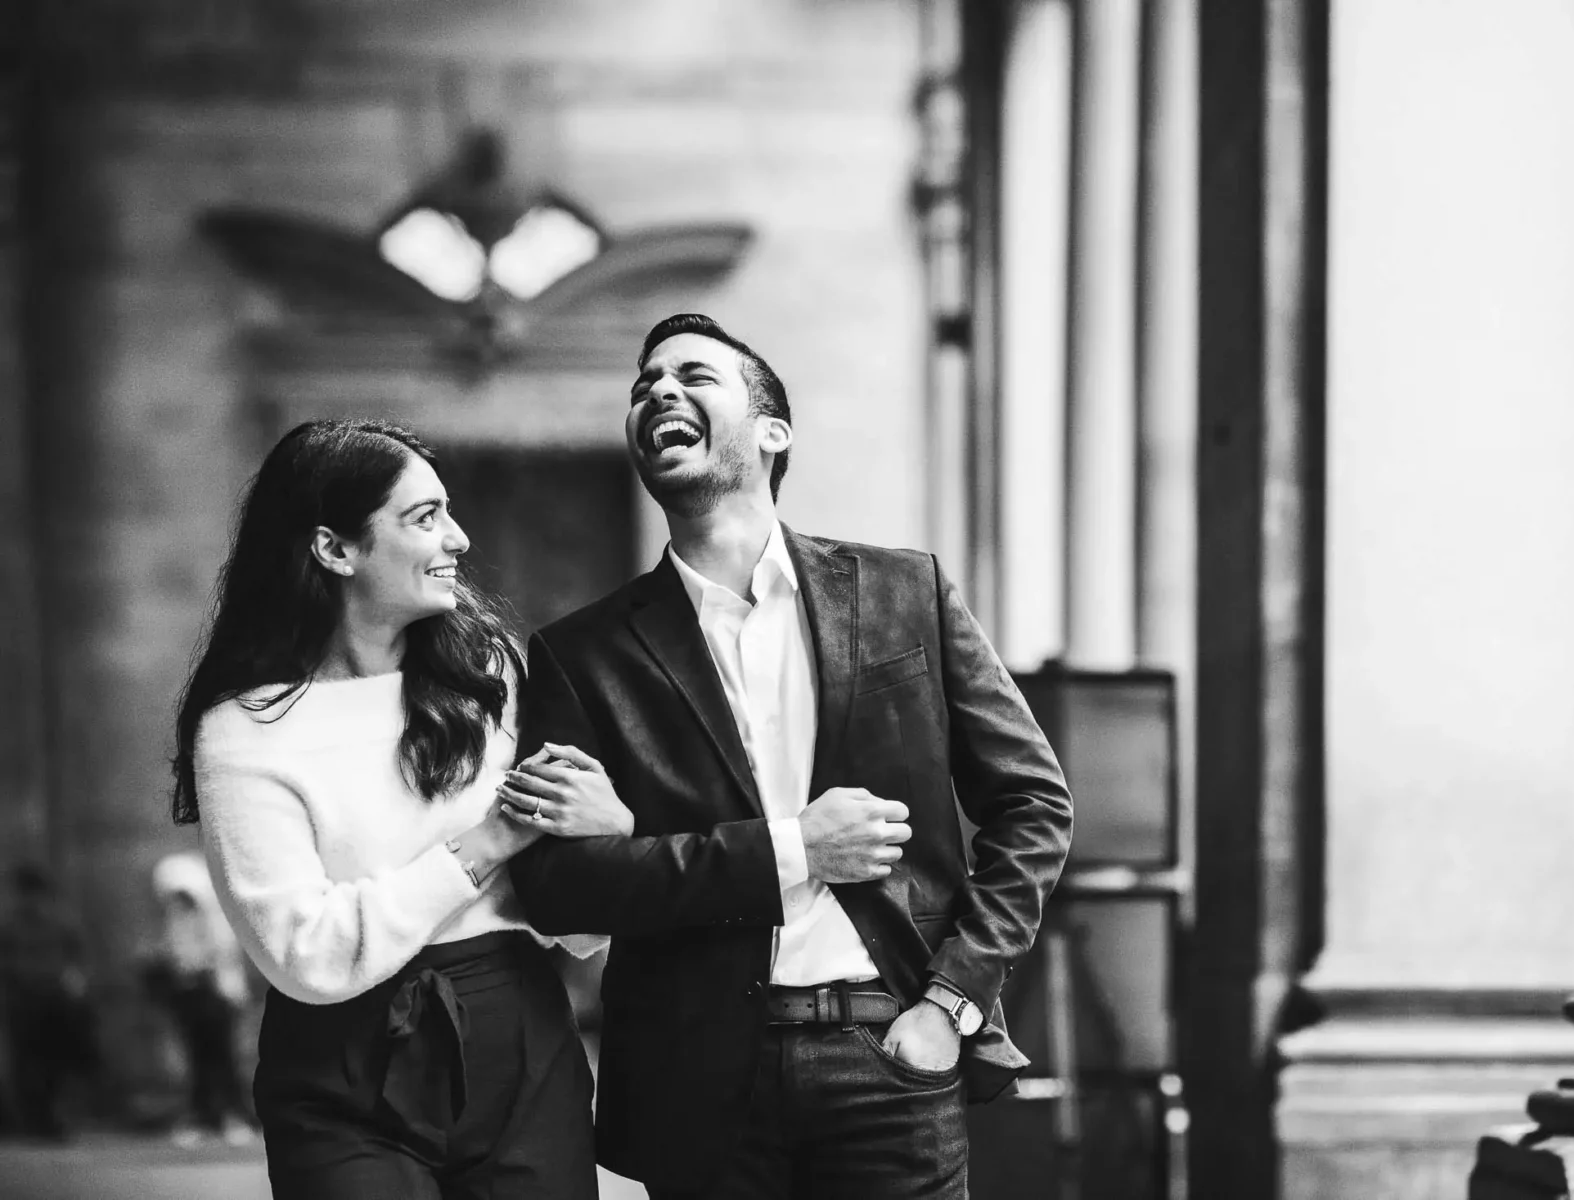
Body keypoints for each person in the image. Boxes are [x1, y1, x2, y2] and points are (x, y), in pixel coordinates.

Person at [505, 314, 1075, 1199]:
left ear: (773, 431)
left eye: (694, 375)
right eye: (643, 384)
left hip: (892, 1056)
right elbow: (560, 888)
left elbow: (1035, 804)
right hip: (696, 1086)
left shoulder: (902, 592)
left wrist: (948, 1003)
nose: (659, 390)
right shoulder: (582, 656)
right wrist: (794, 847)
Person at [170, 418, 633, 1200]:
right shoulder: (243, 729)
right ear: (335, 549)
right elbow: (305, 954)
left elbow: (573, 920)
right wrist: (480, 846)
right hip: (342, 1061)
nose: (456, 537)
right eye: (423, 518)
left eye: (447, 511)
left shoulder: (488, 675)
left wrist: (607, 834)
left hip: (520, 1032)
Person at [142, 851, 257, 1146]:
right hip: (189, 998)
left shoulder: (212, 917)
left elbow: (220, 956)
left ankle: (234, 1117)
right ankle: (204, 1118)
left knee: (223, 1059)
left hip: (214, 996)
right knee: (199, 1060)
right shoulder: (173, 919)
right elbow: (172, 955)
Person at [0, 863, 97, 1140]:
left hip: (55, 1000)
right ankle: (35, 1120)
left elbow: (79, 957)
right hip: (23, 1001)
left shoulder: (60, 921)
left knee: (56, 1060)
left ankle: (56, 1118)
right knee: (29, 1063)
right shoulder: (10, 924)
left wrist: (77, 983)